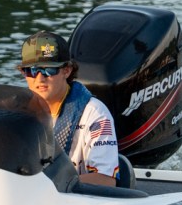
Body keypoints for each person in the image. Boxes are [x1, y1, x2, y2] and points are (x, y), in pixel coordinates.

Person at [18, 31, 118, 186]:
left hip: (77, 198)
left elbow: (106, 180)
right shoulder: (17, 113)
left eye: (48, 70)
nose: (40, 79)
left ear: (67, 70)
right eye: (31, 70)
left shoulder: (94, 113)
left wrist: (47, 185)